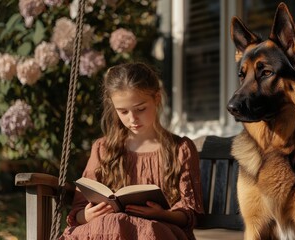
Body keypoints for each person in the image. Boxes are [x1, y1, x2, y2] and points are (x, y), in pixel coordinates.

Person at [61, 62, 204, 239]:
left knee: (124, 225)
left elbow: (190, 214)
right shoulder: (103, 148)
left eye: (140, 109)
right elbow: (79, 210)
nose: (133, 119)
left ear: (157, 98)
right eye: (123, 111)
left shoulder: (180, 149)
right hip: (108, 229)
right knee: (114, 223)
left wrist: (161, 214)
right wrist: (87, 215)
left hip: (157, 230)